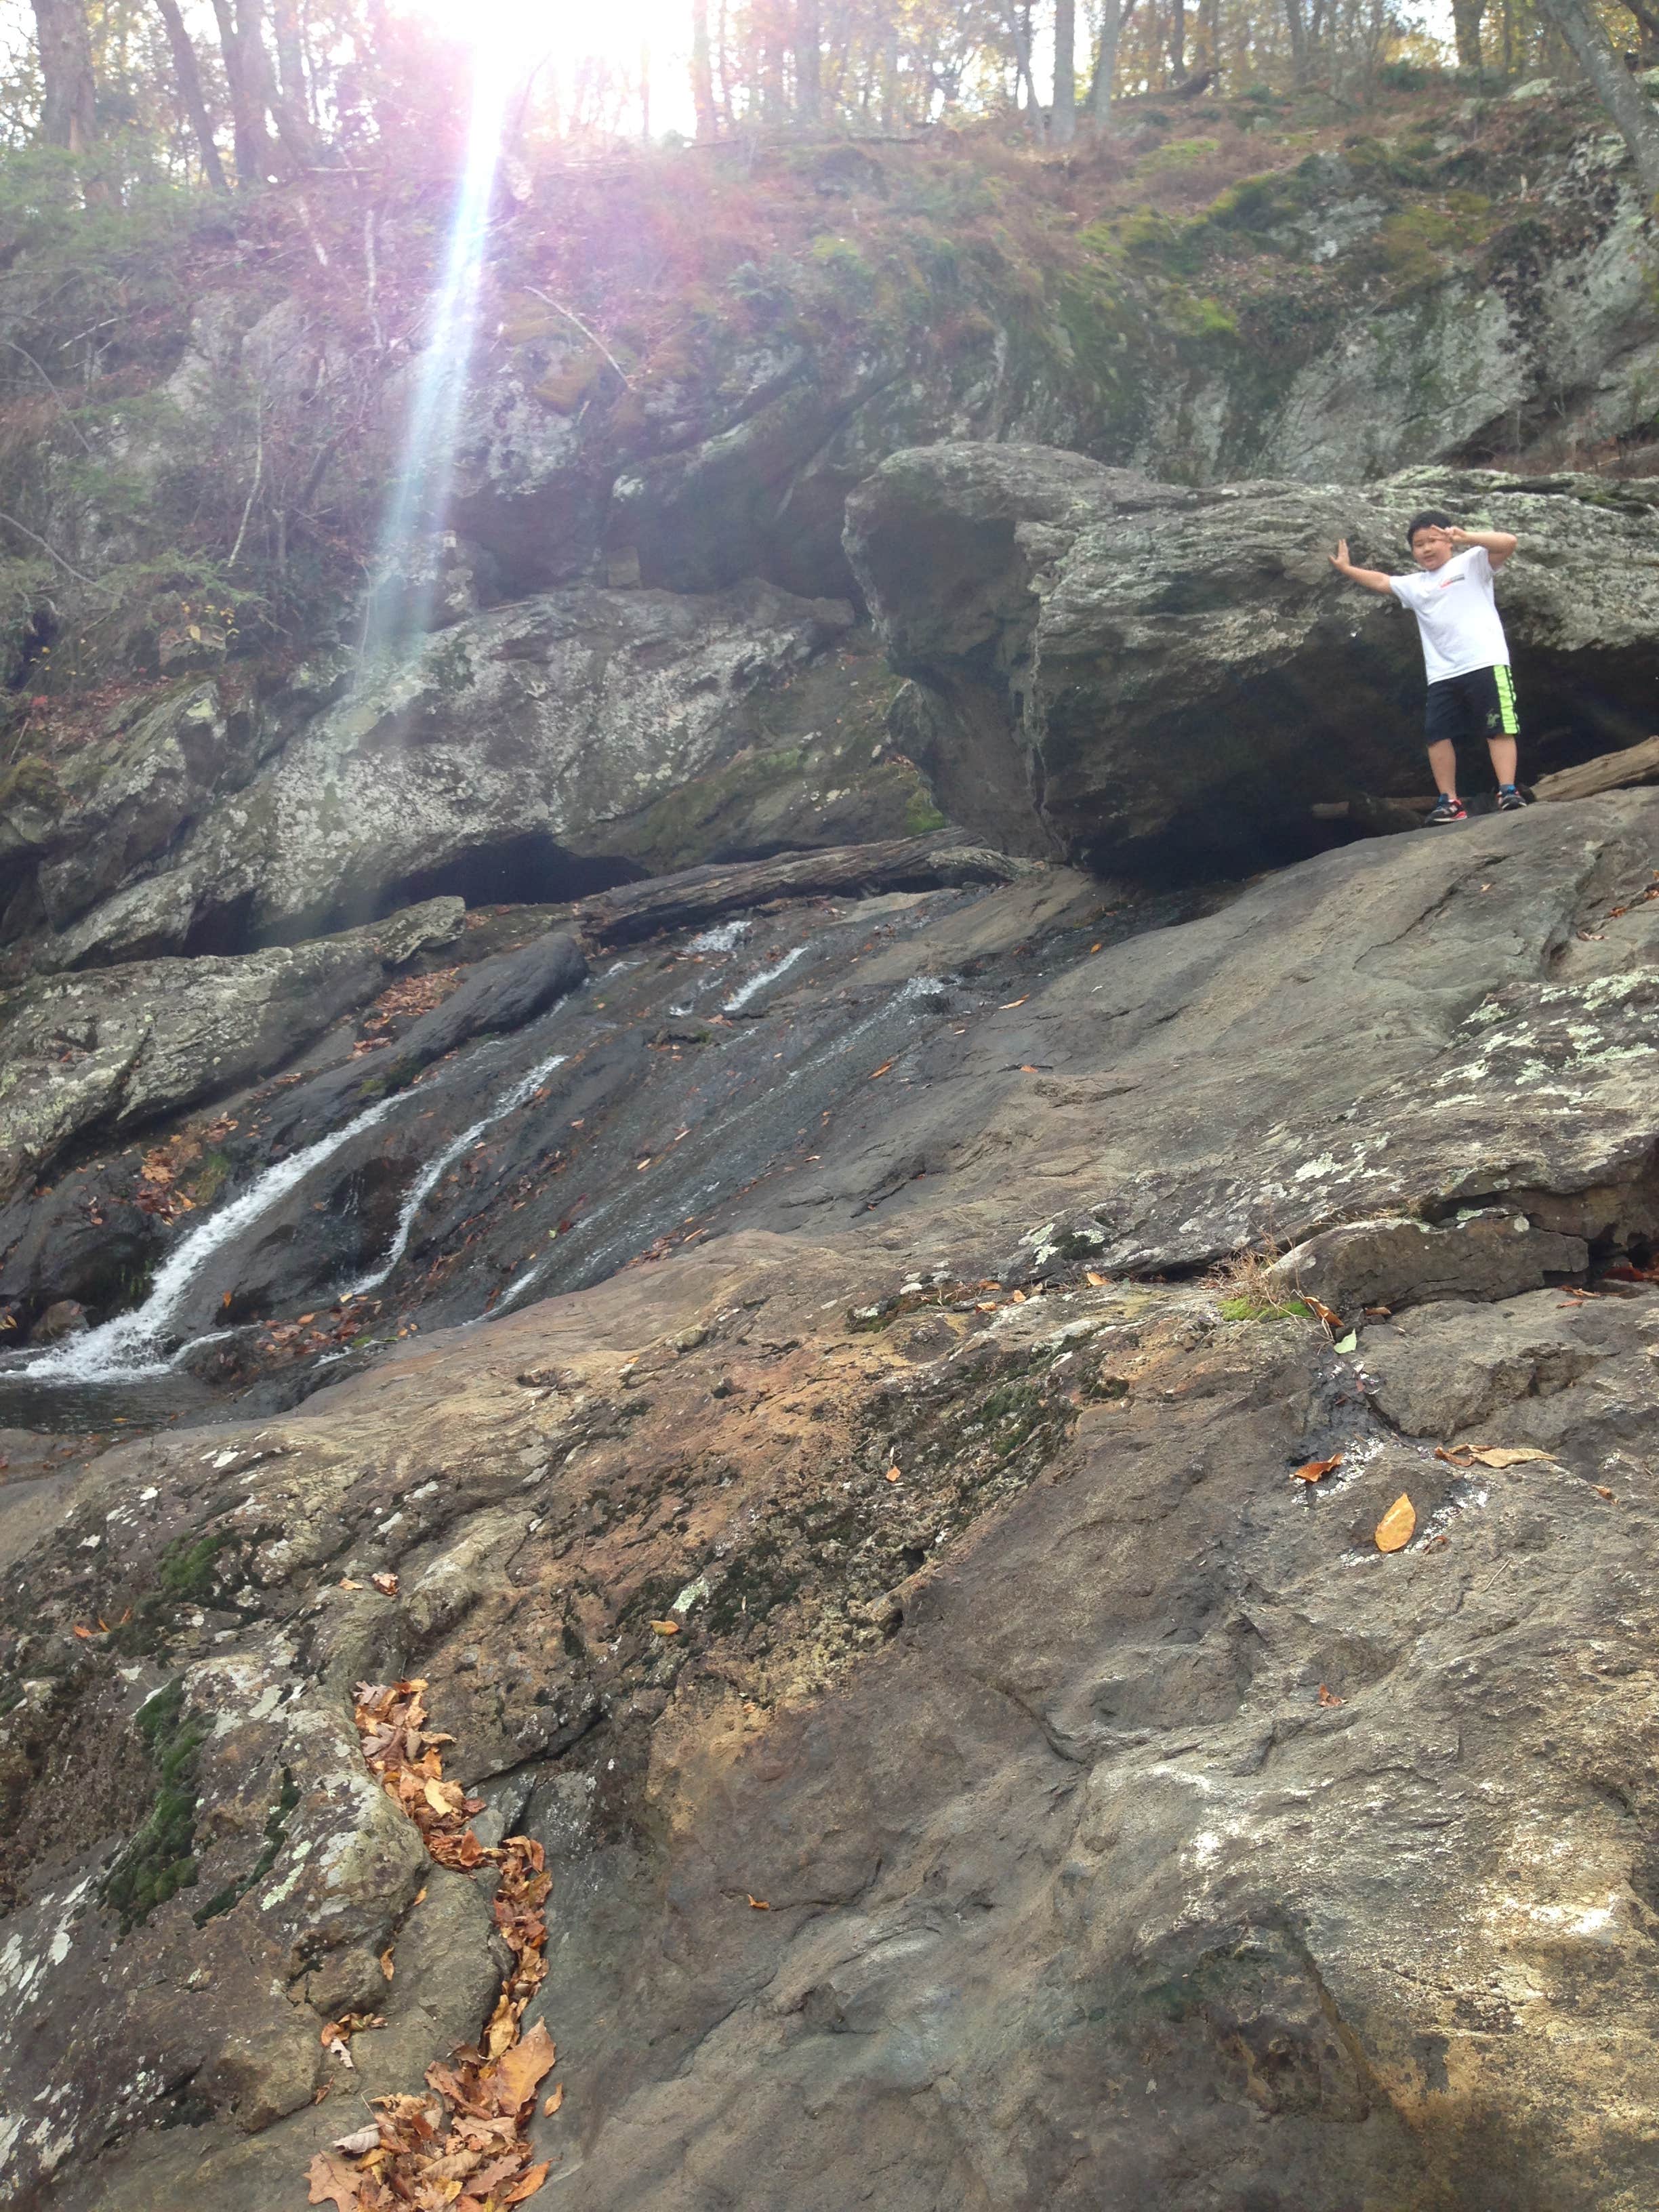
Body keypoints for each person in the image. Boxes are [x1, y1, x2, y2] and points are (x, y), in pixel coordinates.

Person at [1330, 510, 1523, 824]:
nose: (1427, 549)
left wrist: (1468, 537)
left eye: (1433, 540)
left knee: (1498, 727)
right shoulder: (1417, 585)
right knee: (1437, 735)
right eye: (1419, 544)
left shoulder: (1472, 562)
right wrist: (1347, 569)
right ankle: (1450, 802)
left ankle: (1508, 790)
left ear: (1447, 540)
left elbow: (1509, 542)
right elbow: (1381, 581)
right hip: (1442, 673)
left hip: (1485, 661)